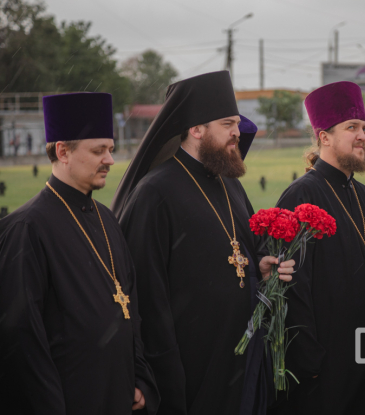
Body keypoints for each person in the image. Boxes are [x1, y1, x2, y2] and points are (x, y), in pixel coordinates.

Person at [113, 71, 294, 415]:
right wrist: (163, 377)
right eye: (227, 124)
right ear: (196, 129)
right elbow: (147, 296)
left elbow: (241, 253)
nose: (237, 132)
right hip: (190, 369)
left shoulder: (230, 184)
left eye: (236, 123)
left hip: (239, 362)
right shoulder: (155, 193)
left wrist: (260, 267)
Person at [0, 92, 159, 415]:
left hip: (119, 396)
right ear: (63, 151)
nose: (110, 160)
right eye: (98, 150)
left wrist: (140, 376)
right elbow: (21, 338)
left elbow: (129, 305)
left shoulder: (108, 219)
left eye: (111, 149)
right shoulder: (26, 228)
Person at [273, 81, 365, 414]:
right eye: (351, 127)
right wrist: (308, 357)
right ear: (324, 137)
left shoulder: (363, 193)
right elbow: (290, 286)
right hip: (327, 364)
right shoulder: (301, 195)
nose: (362, 136)